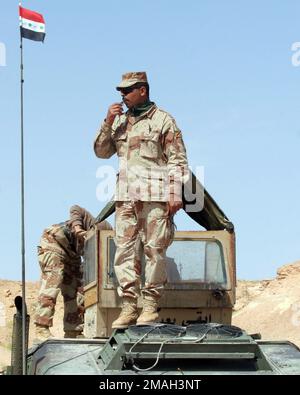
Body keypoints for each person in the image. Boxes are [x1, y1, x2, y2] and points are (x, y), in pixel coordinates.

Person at [94, 72, 189, 328]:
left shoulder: (163, 121)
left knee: (154, 250)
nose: (122, 96)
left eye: (127, 91)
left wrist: (174, 192)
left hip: (155, 196)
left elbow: (178, 159)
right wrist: (107, 121)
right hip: (125, 197)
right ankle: (128, 307)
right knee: (123, 253)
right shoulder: (120, 122)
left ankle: (149, 305)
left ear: (143, 90)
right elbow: (101, 152)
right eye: (121, 92)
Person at [34, 205, 112, 340]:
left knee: (77, 289)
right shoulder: (92, 222)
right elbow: (75, 208)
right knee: (54, 280)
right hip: (54, 243)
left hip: (72, 255)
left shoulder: (101, 245)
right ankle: (42, 327)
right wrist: (78, 229)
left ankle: (73, 331)